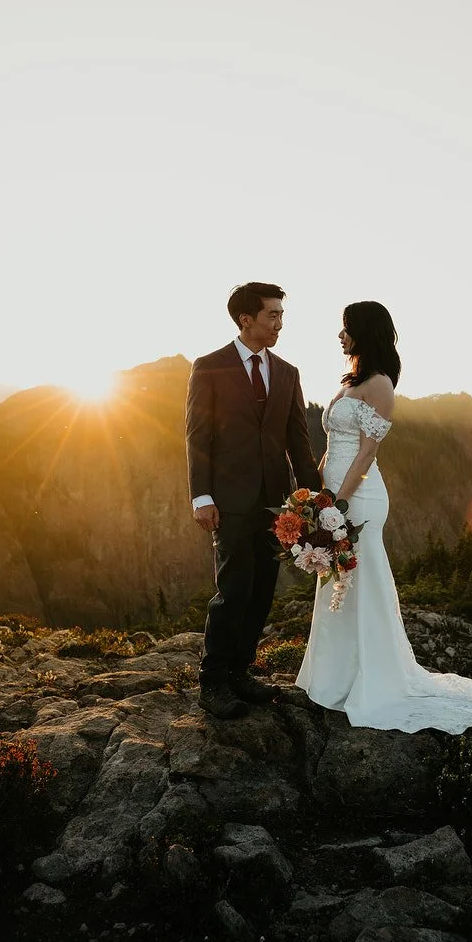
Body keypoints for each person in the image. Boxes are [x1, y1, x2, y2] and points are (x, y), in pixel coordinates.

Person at [296, 301, 472, 734]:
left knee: (362, 573)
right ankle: (333, 677)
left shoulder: (379, 385)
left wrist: (338, 503)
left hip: (360, 496)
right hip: (334, 493)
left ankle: (373, 678)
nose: (339, 336)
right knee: (336, 576)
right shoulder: (350, 382)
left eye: (345, 329)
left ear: (364, 332)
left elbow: (366, 451)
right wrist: (317, 498)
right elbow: (333, 446)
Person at [186, 282, 321, 719]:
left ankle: (242, 672)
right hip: (228, 500)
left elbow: (299, 442)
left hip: (276, 504)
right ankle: (214, 682)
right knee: (232, 590)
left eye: (281, 314)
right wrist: (201, 496)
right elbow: (197, 437)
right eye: (272, 315)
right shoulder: (209, 367)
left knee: (263, 590)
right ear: (246, 319)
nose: (280, 322)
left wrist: (314, 499)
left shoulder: (287, 372)